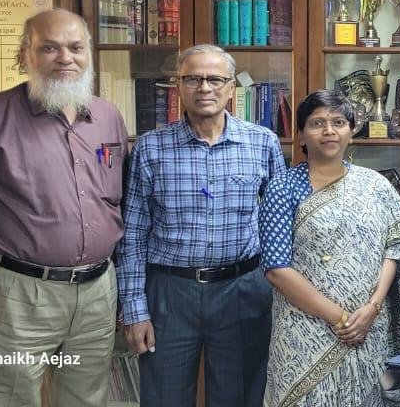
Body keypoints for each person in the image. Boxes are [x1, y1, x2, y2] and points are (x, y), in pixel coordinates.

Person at [0, 9, 127, 406]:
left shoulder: (109, 118)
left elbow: (117, 205)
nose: (65, 58)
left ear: (89, 54)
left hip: (96, 295)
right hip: (16, 298)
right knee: (4, 399)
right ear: (24, 55)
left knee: (86, 400)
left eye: (76, 47)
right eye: (50, 47)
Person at [119, 44, 287, 406]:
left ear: (231, 88)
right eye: (193, 78)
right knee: (164, 396)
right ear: (178, 86)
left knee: (239, 396)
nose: (204, 88)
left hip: (243, 290)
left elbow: (281, 228)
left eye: (214, 79)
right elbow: (132, 233)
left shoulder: (262, 143)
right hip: (169, 294)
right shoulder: (150, 148)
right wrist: (134, 309)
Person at [260, 90, 400, 406]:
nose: (329, 131)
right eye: (317, 123)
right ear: (301, 135)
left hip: (369, 328)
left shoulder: (375, 185)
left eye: (338, 122)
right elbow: (277, 269)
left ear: (350, 131)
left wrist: (371, 309)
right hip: (304, 332)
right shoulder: (283, 187)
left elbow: (397, 246)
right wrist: (342, 319)